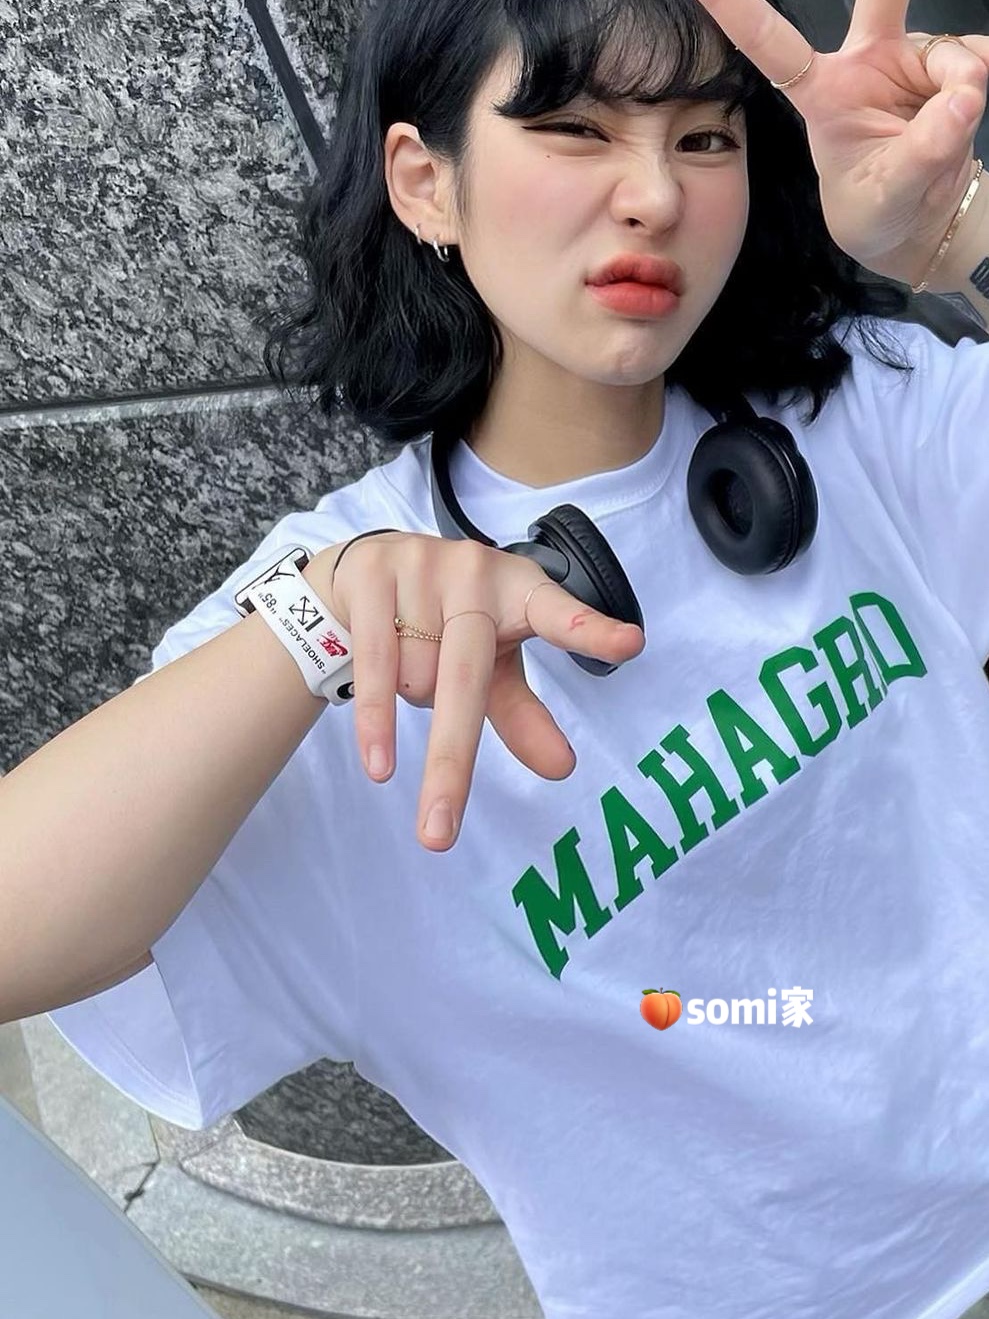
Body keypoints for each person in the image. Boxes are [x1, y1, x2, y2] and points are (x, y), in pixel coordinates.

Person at [3, 0, 989, 1314]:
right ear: (426, 182)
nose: (654, 195)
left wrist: (959, 235)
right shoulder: (332, 623)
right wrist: (314, 622)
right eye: (575, 128)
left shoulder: (861, 410)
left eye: (704, 139)